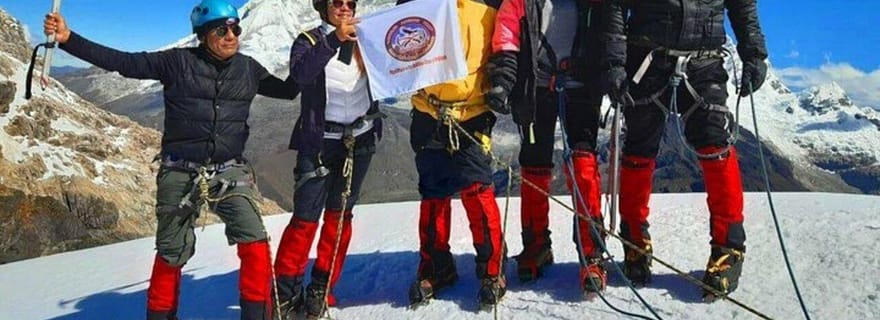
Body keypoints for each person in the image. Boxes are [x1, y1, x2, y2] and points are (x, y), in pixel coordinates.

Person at [43, 0, 300, 319]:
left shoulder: (248, 69)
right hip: (180, 169)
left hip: (229, 170)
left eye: (236, 28)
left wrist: (326, 44)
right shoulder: (177, 62)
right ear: (203, 36)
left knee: (255, 241)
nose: (232, 35)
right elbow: (124, 62)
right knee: (171, 252)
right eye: (223, 30)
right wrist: (69, 38)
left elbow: (290, 91)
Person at [602, 0, 768, 298]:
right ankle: (634, 240)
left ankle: (728, 248)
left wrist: (754, 53)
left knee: (714, 142)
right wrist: (614, 62)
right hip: (647, 61)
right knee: (640, 147)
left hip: (700, 63)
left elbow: (742, 4)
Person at [488, 0, 609, 294]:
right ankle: (536, 246)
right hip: (536, 89)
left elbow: (611, 27)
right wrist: (503, 82)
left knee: (583, 165)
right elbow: (506, 38)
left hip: (581, 89)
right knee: (533, 165)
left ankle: (591, 254)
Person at [272, 0, 384, 318]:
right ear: (324, 7)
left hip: (358, 141)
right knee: (305, 219)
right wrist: (334, 39)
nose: (345, 7)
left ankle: (322, 285)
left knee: (339, 217)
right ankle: (285, 291)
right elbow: (301, 75)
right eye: (338, 2)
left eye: (351, 2)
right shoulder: (308, 41)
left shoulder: (367, 38)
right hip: (319, 143)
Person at [399, 0, 506, 308]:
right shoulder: (413, 4)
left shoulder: (491, 5)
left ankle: (491, 267)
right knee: (433, 192)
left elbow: (504, 51)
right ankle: (436, 265)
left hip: (473, 112)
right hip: (427, 111)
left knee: (477, 189)